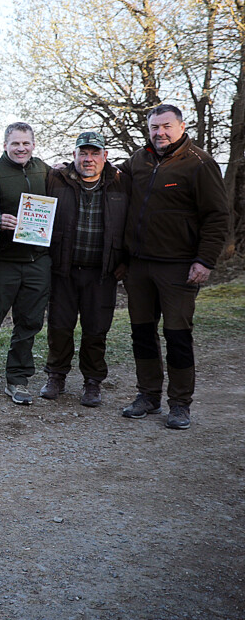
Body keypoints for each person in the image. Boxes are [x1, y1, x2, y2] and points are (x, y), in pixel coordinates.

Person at [120, 105, 229, 429]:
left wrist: (205, 259)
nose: (160, 133)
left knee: (177, 335)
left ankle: (180, 403)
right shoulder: (137, 161)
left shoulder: (200, 163)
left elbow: (217, 216)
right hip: (138, 266)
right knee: (142, 332)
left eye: (166, 126)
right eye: (154, 127)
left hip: (179, 267)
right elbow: (107, 179)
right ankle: (148, 395)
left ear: (181, 126)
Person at [40, 131, 129, 408]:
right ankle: (56, 375)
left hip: (102, 272)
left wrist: (126, 260)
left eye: (94, 153)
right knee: (59, 326)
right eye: (83, 153)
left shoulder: (121, 183)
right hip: (63, 269)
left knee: (96, 329)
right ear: (74, 155)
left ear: (105, 156)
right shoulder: (56, 179)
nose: (88, 159)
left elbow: (134, 223)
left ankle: (92, 381)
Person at [0, 122, 50, 405]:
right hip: (2, 260)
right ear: (5, 145)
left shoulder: (45, 171)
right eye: (15, 143)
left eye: (26, 143)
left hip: (37, 260)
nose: (21, 148)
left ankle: (18, 378)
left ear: (33, 145)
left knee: (29, 323)